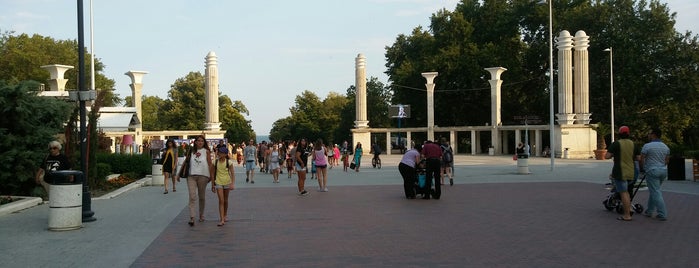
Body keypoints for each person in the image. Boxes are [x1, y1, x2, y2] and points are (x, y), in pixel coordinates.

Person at [605, 126, 640, 221]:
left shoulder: (616, 144)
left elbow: (607, 156)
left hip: (620, 171)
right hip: (632, 171)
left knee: (623, 193)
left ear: (619, 134)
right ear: (628, 134)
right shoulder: (633, 144)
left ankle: (627, 215)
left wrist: (614, 154)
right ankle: (630, 209)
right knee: (628, 192)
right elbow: (638, 158)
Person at [640, 128, 671, 221]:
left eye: (649, 133)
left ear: (653, 135)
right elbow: (667, 161)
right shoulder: (665, 147)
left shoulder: (647, 146)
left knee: (656, 192)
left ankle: (662, 213)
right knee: (654, 191)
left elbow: (642, 158)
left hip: (652, 170)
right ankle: (649, 210)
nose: (648, 135)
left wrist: (643, 168)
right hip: (663, 170)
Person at [184, 135, 214, 226]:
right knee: (192, 196)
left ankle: (201, 214)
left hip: (203, 176)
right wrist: (178, 174)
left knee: (201, 197)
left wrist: (211, 177)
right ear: (195, 142)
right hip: (191, 175)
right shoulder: (191, 151)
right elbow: (186, 162)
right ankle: (192, 217)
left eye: (202, 141)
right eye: (198, 141)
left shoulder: (206, 152)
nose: (200, 142)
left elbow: (210, 165)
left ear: (204, 142)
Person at [211, 146, 235, 226]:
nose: (219, 154)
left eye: (221, 153)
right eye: (219, 152)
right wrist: (212, 184)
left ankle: (225, 215)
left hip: (227, 182)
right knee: (221, 200)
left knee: (225, 200)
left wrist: (232, 183)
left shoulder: (229, 162)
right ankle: (221, 219)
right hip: (218, 182)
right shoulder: (215, 162)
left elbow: (232, 173)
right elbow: (212, 173)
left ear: (225, 154)